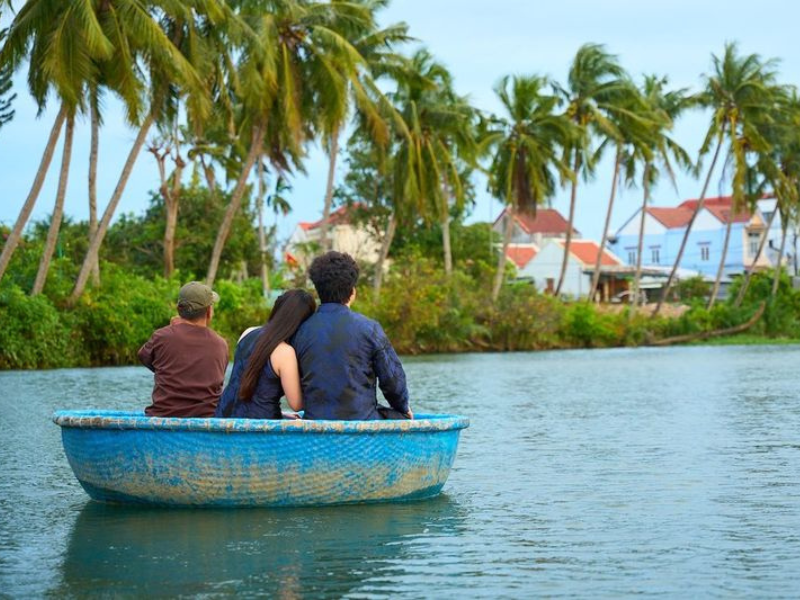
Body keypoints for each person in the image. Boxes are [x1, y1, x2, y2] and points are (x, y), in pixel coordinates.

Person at [292, 251, 412, 421]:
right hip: (362, 421)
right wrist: (403, 407)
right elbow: (393, 383)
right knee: (401, 416)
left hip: (315, 421)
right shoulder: (370, 328)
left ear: (318, 291)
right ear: (352, 291)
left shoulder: (300, 331)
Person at [215, 289, 316, 419]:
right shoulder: (285, 352)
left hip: (225, 418)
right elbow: (296, 404)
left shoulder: (248, 332)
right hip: (260, 429)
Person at [138, 281, 229, 417]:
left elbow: (144, 357)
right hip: (206, 418)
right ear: (209, 312)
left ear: (178, 309)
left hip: (164, 416)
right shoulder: (221, 344)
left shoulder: (161, 336)